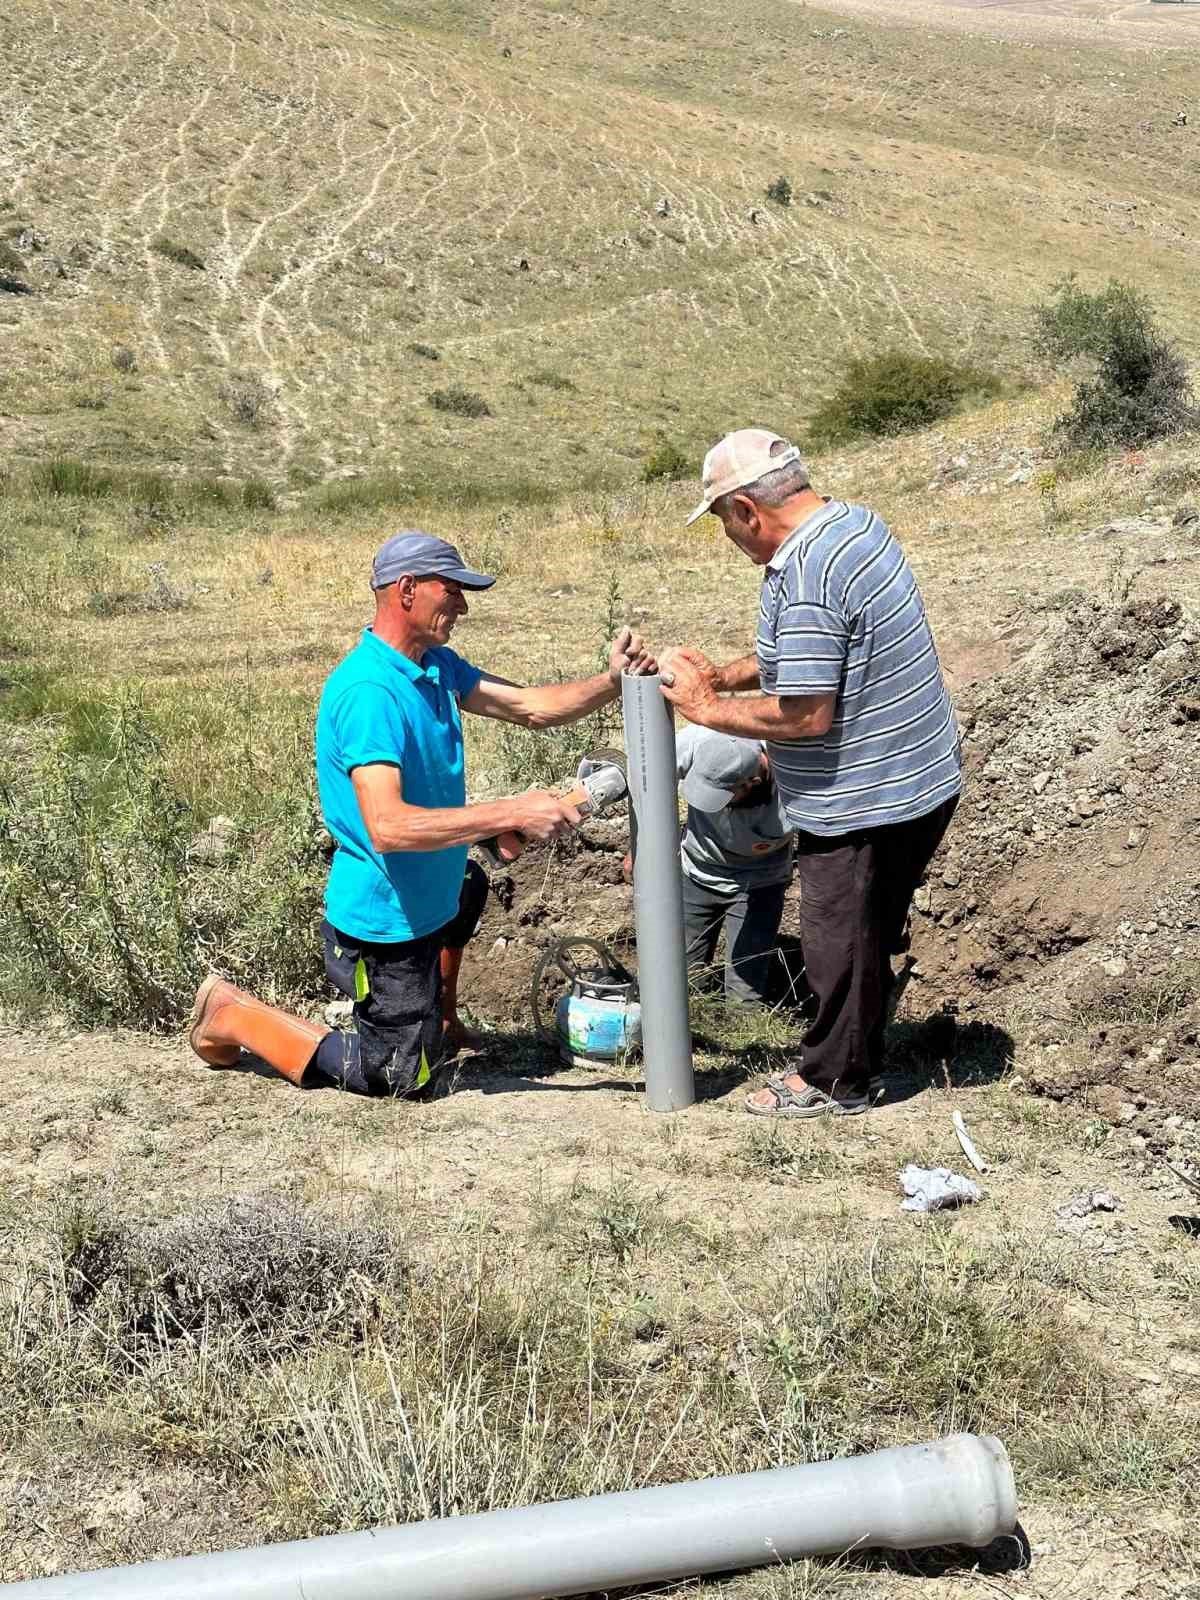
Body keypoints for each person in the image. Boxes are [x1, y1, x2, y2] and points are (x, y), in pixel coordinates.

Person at [188, 530, 655, 1096]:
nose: (462, 604)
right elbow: (387, 827)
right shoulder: (370, 693)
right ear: (407, 590)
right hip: (384, 923)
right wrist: (508, 812)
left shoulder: (435, 667)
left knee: (468, 883)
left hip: (432, 891)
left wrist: (613, 681)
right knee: (398, 1079)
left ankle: (441, 1020)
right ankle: (233, 1013)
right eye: (451, 590)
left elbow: (532, 707)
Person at [659, 428, 961, 1118]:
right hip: (921, 776)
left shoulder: (805, 578)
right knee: (870, 931)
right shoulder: (855, 525)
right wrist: (730, 674)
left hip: (862, 799)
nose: (728, 538)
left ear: (745, 510)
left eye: (721, 523)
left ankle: (833, 1083)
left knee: (836, 942)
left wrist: (706, 707)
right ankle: (864, 1053)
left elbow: (804, 716)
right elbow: (821, 651)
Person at [629, 727, 795, 1008]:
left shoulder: (796, 776)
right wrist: (639, 847)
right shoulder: (694, 743)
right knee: (682, 978)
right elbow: (642, 778)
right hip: (696, 872)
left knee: (745, 993)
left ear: (752, 782)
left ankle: (746, 1042)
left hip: (761, 884)